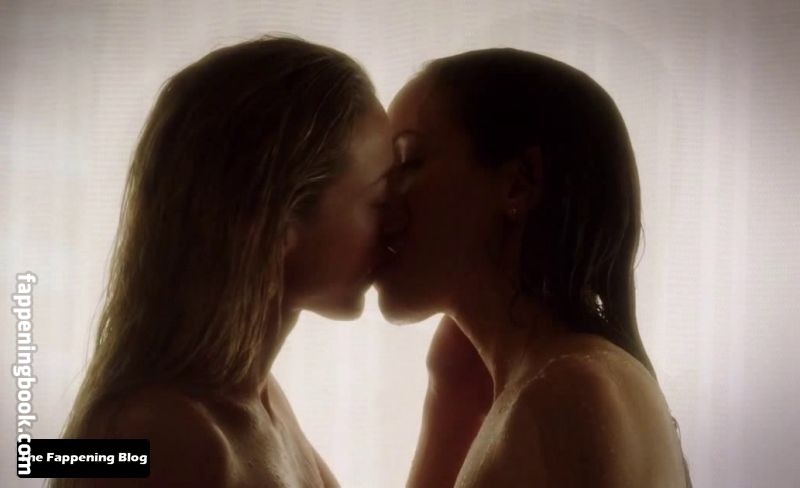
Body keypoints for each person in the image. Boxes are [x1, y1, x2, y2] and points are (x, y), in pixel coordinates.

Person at [52, 36, 393, 487]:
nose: (396, 225)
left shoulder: (263, 403)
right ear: (280, 220)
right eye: (379, 201)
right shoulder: (160, 435)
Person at [376, 48, 693, 487]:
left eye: (408, 161)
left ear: (518, 183)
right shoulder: (569, 378)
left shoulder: (566, 392)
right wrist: (446, 400)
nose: (379, 197)